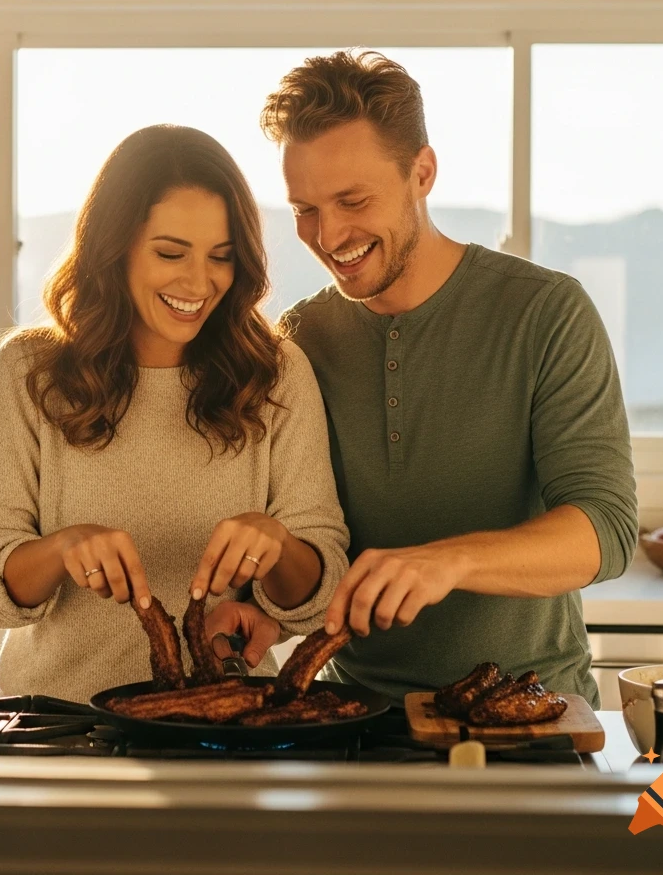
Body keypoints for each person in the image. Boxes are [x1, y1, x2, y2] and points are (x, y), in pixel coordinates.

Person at [213, 50, 638, 708]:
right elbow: (306, 535)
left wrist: (449, 562)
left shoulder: (546, 312)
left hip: (529, 708)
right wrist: (264, 613)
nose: (327, 235)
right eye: (304, 209)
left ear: (423, 173)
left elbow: (604, 532)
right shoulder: (298, 343)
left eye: (352, 200)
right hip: (356, 715)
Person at [0, 124, 349, 704]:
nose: (198, 281)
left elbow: (322, 585)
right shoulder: (30, 369)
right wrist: (63, 549)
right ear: (114, 248)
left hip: (229, 725)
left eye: (221, 256)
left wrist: (280, 544)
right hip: (60, 725)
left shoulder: (279, 373)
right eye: (170, 252)